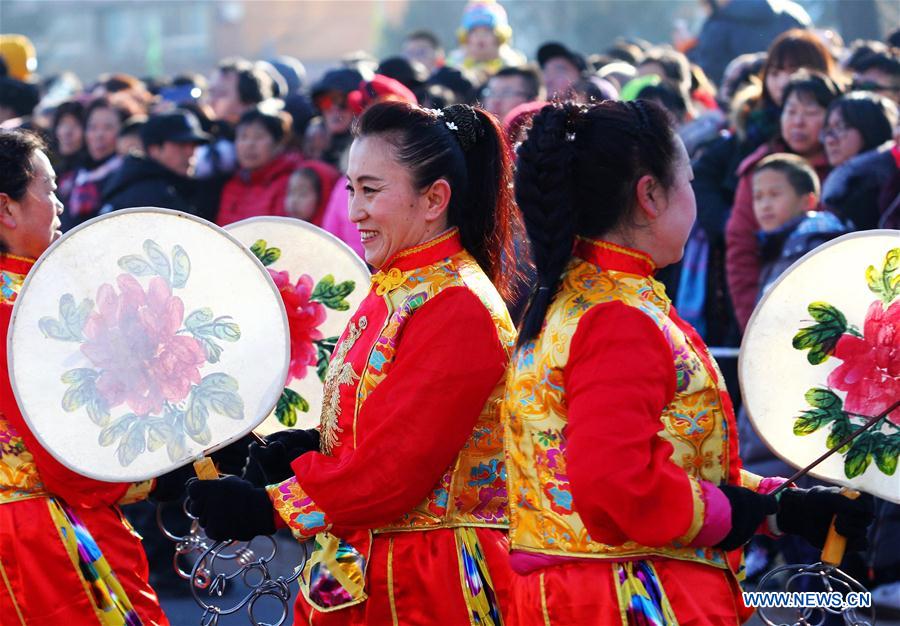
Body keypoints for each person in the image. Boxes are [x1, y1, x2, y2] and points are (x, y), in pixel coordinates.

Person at [503, 100, 872, 625]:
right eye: (690, 180)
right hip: (627, 597)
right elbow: (618, 483)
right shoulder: (617, 316)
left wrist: (780, 506)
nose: (694, 195)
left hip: (593, 592)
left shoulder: (587, 298)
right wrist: (735, 516)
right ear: (650, 194)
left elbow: (669, 457)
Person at [188, 101, 520, 625]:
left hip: (430, 580)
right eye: (351, 190)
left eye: (371, 190)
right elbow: (375, 427)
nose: (355, 209)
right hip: (369, 563)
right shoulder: (398, 286)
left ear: (434, 198)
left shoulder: (457, 303)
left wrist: (271, 506)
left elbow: (395, 467)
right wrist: (312, 447)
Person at [0, 128, 169, 624]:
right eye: (49, 190)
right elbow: (66, 457)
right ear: (6, 209)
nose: (60, 206)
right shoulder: (21, 311)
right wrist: (154, 478)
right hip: (33, 534)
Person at [726, 70, 841, 330]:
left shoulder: (843, 169)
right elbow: (740, 248)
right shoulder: (760, 170)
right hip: (769, 313)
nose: (798, 122)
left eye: (811, 113)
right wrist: (754, 323)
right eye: (791, 111)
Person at [751, 153, 848, 292]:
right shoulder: (775, 245)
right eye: (758, 197)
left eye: (774, 194)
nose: (765, 205)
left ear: (808, 201)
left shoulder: (814, 244)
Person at [99, 109, 212, 217]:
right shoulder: (151, 195)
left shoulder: (130, 180)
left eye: (194, 145)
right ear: (154, 149)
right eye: (181, 145)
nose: (190, 152)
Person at [820, 91, 898, 230]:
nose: (830, 140)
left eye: (841, 127)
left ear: (871, 129)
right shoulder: (843, 183)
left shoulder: (888, 185)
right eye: (828, 130)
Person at [689, 0, 811, 85]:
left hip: (737, 110)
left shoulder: (717, 24)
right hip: (794, 105)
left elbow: (708, 72)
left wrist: (687, 51)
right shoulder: (795, 15)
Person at [215, 108, 301, 226]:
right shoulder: (231, 185)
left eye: (258, 137)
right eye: (243, 137)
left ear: (278, 143)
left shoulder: (288, 184)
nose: (249, 144)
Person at [283, 161, 339, 226]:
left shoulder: (326, 234)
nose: (293, 200)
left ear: (321, 198)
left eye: (302, 194)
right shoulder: (284, 230)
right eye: (290, 192)